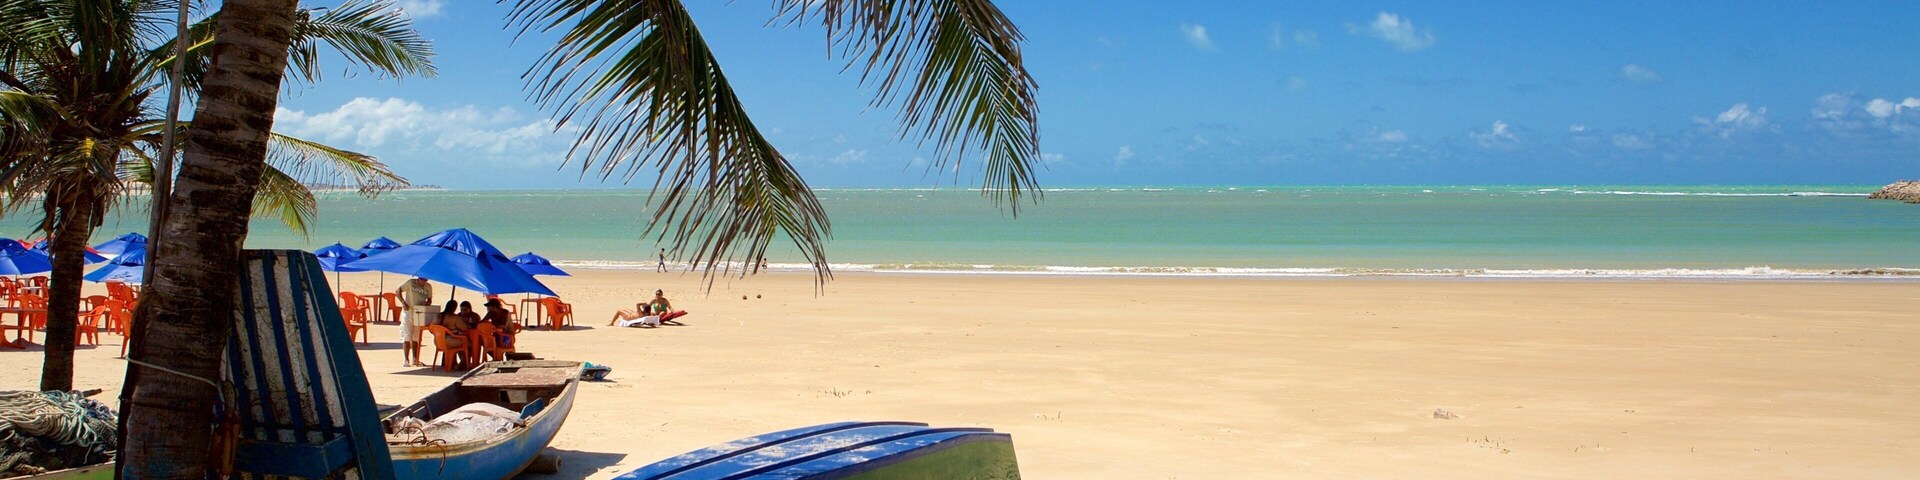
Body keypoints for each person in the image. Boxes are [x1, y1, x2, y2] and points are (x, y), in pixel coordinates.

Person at [395, 277, 434, 367]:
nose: (423, 282)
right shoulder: (410, 283)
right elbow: (398, 291)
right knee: (407, 336)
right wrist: (403, 303)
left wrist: (428, 304)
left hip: (419, 312)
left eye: (425, 280)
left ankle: (415, 359)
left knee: (416, 336)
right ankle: (406, 359)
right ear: (419, 279)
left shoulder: (428, 287)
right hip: (408, 311)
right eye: (422, 280)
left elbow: (429, 299)